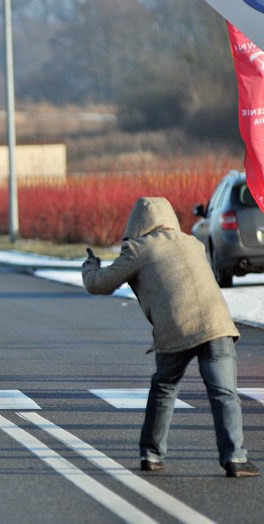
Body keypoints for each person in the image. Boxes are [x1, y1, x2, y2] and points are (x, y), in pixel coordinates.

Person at [82, 196, 259, 478]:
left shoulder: (138, 249)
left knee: (164, 388)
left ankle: (152, 455)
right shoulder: (192, 243)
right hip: (217, 323)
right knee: (224, 393)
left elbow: (99, 284)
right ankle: (235, 459)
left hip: (176, 327)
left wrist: (90, 266)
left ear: (136, 223)